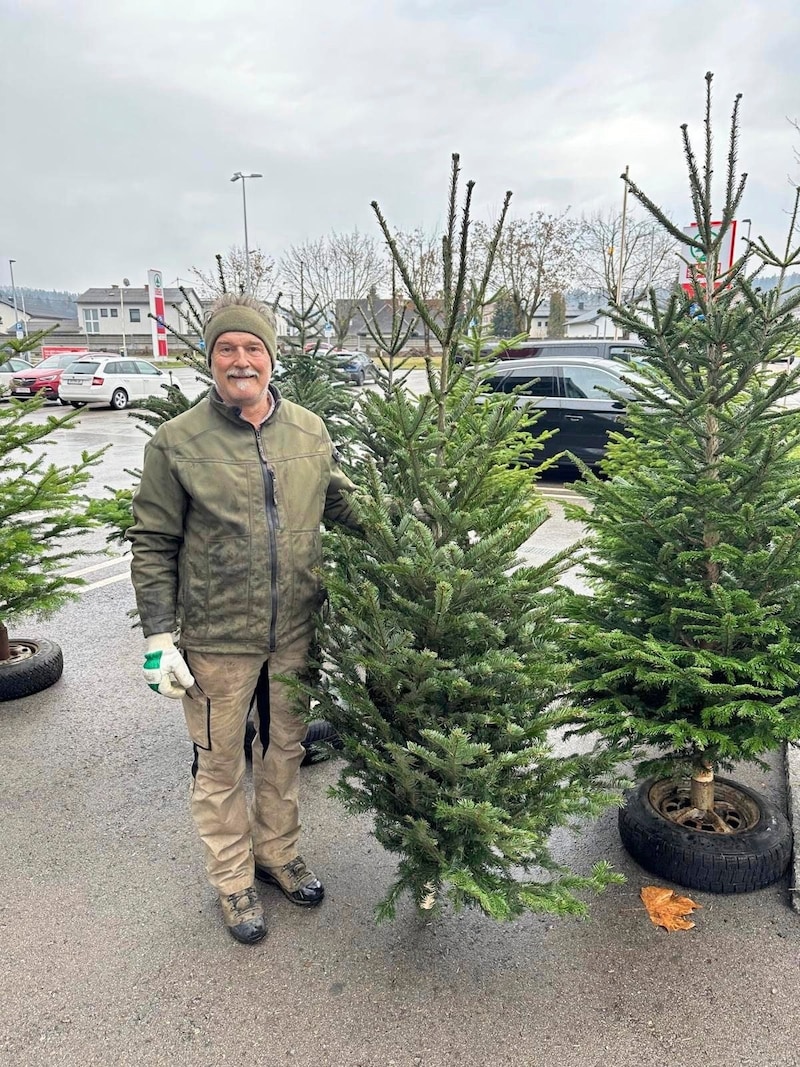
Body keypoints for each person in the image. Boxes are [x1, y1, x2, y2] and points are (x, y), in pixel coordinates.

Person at [127, 294, 359, 945]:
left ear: (270, 356)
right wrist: (158, 638)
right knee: (220, 763)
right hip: (217, 640)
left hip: (295, 633)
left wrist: (417, 528)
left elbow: (339, 503)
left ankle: (277, 853)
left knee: (284, 749)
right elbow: (152, 541)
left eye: (252, 347)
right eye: (227, 348)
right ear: (211, 360)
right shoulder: (178, 443)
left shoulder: (309, 431)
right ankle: (232, 879)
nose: (241, 359)